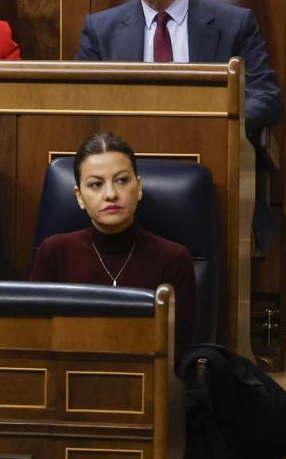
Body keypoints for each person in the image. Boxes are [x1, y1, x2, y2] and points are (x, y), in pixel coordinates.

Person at [76, 0, 282, 141]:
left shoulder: (235, 24)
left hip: (208, 148)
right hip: (127, 153)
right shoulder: (100, 30)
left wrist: (210, 127)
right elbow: (82, 104)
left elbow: (265, 97)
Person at [30, 132, 197, 354]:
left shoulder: (174, 259)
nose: (110, 194)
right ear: (79, 196)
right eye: (96, 184)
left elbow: (179, 355)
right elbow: (39, 342)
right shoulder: (54, 252)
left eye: (121, 180)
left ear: (138, 188)